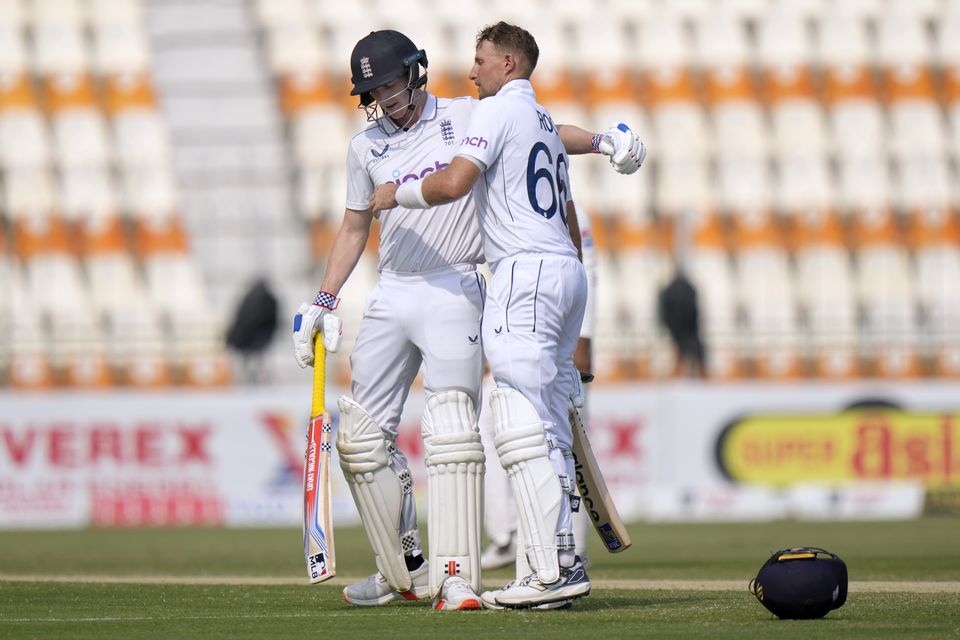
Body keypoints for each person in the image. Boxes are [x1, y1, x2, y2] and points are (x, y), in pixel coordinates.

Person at [292, 29, 645, 611]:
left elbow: (549, 134)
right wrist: (323, 300)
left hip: (456, 283)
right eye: (372, 89)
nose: (384, 96)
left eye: (389, 82)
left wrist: (605, 141)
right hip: (394, 290)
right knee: (360, 441)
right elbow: (353, 227)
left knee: (454, 427)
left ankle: (457, 576)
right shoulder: (364, 147)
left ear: (414, 73)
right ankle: (401, 566)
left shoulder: (470, 111)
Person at [479, 199, 597, 576]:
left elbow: (583, 263)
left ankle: (569, 547)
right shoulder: (497, 193)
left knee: (557, 442)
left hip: (552, 335)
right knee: (499, 437)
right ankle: (509, 535)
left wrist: (582, 340)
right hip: (507, 330)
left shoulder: (562, 199)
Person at [658, 268, 706, 378]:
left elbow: (665, 311)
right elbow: (694, 309)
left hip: (678, 327)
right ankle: (691, 370)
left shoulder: (669, 289)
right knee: (691, 347)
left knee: (684, 348)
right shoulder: (689, 288)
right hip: (688, 326)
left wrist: (668, 325)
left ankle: (683, 370)